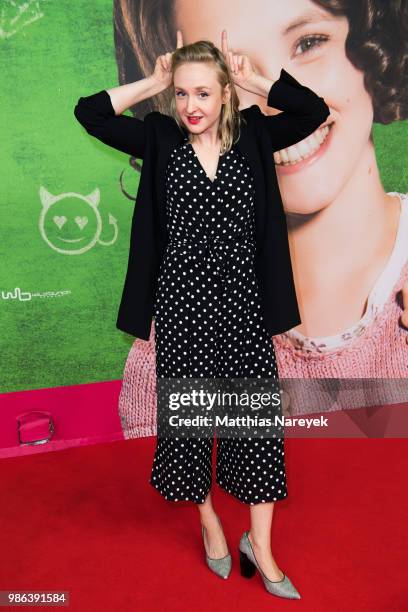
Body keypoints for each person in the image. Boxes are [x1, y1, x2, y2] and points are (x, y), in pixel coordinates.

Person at [74, 29, 330, 598]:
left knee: (256, 431)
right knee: (188, 432)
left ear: (225, 96)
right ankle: (210, 523)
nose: (192, 106)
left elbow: (312, 110)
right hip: (183, 308)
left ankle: (260, 548)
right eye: (183, 94)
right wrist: (154, 81)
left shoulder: (256, 136)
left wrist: (254, 80)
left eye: (204, 94)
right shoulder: (160, 138)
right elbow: (89, 113)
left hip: (244, 309)